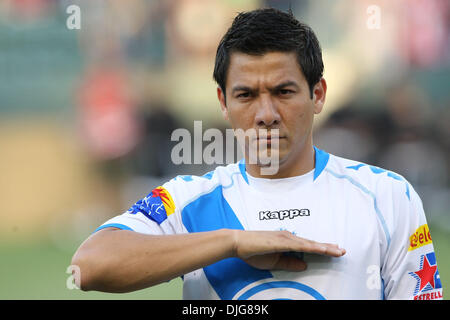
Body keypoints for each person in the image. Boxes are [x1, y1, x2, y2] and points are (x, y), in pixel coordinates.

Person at [71, 8, 443, 300]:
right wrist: (231, 242)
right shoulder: (191, 200)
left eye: (283, 92)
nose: (266, 115)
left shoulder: (388, 195)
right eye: (246, 95)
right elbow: (88, 268)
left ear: (318, 95)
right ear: (223, 102)